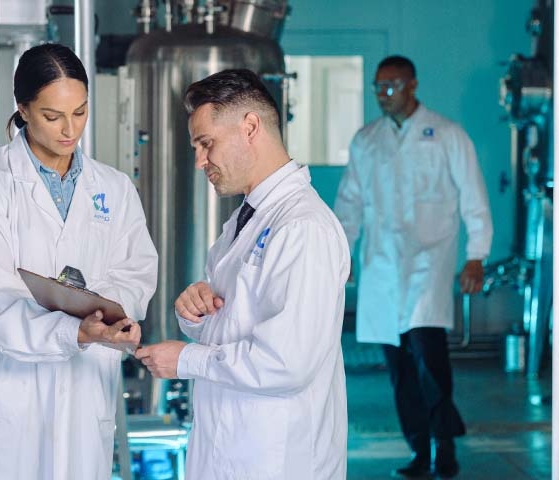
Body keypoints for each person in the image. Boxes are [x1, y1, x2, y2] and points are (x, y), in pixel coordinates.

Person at [0, 43, 157, 479]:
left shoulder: (114, 189)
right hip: (3, 399)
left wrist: (105, 316)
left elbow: (136, 272)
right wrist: (70, 329)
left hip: (82, 398)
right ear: (22, 109)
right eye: (52, 116)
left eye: (79, 112)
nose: (69, 129)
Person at [135, 69, 350, 479]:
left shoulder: (302, 227)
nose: (200, 161)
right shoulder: (245, 220)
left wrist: (186, 360)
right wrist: (193, 312)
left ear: (250, 127)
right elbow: (234, 325)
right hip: (234, 447)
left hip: (278, 457)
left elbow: (288, 362)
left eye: (206, 144)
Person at [333, 55, 493, 479]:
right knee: (400, 370)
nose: (384, 95)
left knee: (428, 356)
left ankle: (445, 446)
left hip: (430, 261)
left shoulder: (446, 135)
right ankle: (420, 452)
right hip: (382, 266)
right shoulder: (366, 140)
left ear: (413, 85)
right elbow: (350, 202)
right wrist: (341, 252)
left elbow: (473, 195)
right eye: (378, 88)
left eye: (392, 86)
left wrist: (476, 255)